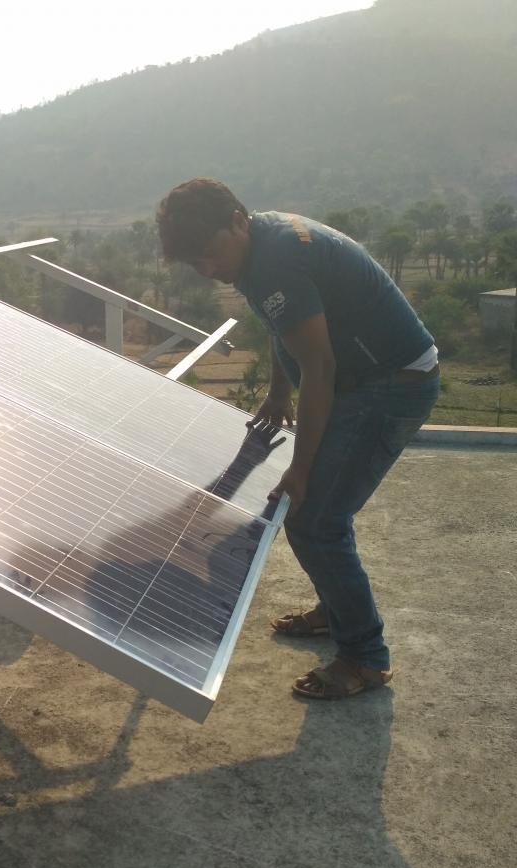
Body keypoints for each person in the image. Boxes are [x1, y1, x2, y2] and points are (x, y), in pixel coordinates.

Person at [156, 178, 439, 700]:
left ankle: (365, 658)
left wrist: (302, 468)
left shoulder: (274, 261)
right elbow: (282, 324)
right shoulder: (259, 245)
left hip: (390, 385)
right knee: (316, 516)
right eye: (197, 263)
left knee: (314, 519)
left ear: (237, 220)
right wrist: (277, 392)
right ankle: (337, 613)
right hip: (370, 377)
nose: (210, 270)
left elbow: (320, 363)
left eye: (212, 254)